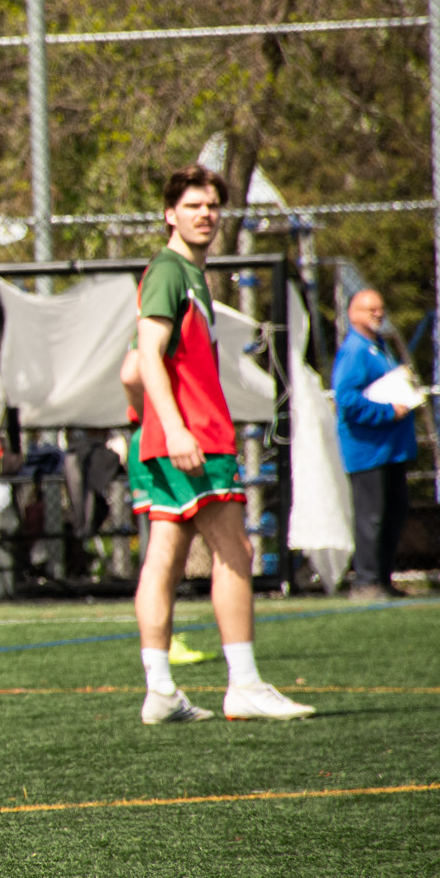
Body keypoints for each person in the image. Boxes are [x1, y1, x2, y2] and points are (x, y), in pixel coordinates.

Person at [129, 165, 312, 724]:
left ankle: (160, 690)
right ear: (169, 214)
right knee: (235, 552)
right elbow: (147, 353)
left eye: (211, 206)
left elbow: (129, 371)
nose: (204, 215)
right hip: (194, 438)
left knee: (165, 557)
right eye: (192, 206)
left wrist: (150, 425)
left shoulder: (184, 275)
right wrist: (178, 426)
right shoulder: (169, 271)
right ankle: (246, 685)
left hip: (167, 438)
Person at [120, 347, 210, 668]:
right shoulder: (158, 312)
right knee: (164, 553)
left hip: (154, 438)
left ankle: (164, 641)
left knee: (164, 552)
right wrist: (155, 419)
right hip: (159, 440)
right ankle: (162, 642)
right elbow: (131, 373)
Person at [332, 288, 418, 600]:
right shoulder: (354, 350)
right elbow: (347, 399)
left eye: (380, 309)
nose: (377, 315)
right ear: (353, 314)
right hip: (368, 449)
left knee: (393, 512)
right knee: (371, 516)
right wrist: (386, 412)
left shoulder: (378, 347)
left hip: (391, 449)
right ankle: (366, 581)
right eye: (370, 309)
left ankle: (382, 578)